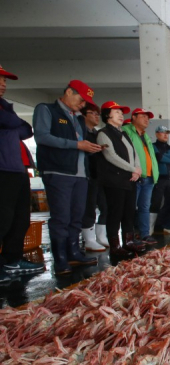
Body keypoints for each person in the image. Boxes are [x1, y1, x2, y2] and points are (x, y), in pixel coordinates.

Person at [33, 79, 101, 275]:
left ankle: (74, 252)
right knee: (61, 216)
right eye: (81, 99)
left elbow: (79, 142)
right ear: (69, 92)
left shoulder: (78, 118)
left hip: (80, 174)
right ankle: (60, 258)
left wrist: (89, 148)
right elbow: (42, 137)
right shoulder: (47, 110)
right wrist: (77, 145)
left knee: (76, 216)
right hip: (58, 171)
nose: (83, 104)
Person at [0, 65, 44, 282]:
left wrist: (11, 122)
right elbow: (13, 124)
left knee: (20, 219)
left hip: (17, 169)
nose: (3, 84)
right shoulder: (6, 112)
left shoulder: (6, 107)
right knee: (3, 218)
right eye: (0, 80)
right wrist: (11, 123)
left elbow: (26, 130)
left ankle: (12, 259)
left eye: (5, 81)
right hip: (2, 170)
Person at [96, 101, 145, 257]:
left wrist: (137, 170)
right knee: (115, 212)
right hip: (114, 180)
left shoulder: (123, 133)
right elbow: (110, 156)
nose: (121, 115)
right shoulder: (103, 133)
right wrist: (132, 169)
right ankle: (115, 246)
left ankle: (128, 242)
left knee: (129, 212)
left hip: (129, 180)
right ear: (107, 115)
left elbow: (134, 153)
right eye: (117, 112)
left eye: (121, 112)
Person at [122, 108, 158, 245]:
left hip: (148, 177)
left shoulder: (145, 135)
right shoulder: (126, 131)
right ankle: (129, 236)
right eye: (143, 116)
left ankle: (144, 234)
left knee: (144, 208)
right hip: (135, 176)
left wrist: (155, 174)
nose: (146, 120)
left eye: (148, 118)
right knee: (130, 208)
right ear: (134, 117)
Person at [80, 103, 108, 252]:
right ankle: (89, 239)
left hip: (100, 175)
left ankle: (101, 236)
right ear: (84, 115)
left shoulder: (97, 134)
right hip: (87, 174)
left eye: (98, 114)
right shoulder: (80, 132)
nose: (97, 116)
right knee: (89, 206)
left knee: (105, 205)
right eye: (93, 113)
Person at [150, 125, 170, 234]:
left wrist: (165, 155)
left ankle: (165, 225)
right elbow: (159, 157)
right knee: (155, 202)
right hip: (160, 179)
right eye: (162, 132)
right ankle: (151, 228)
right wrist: (169, 157)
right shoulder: (153, 146)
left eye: (167, 133)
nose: (165, 135)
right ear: (156, 134)